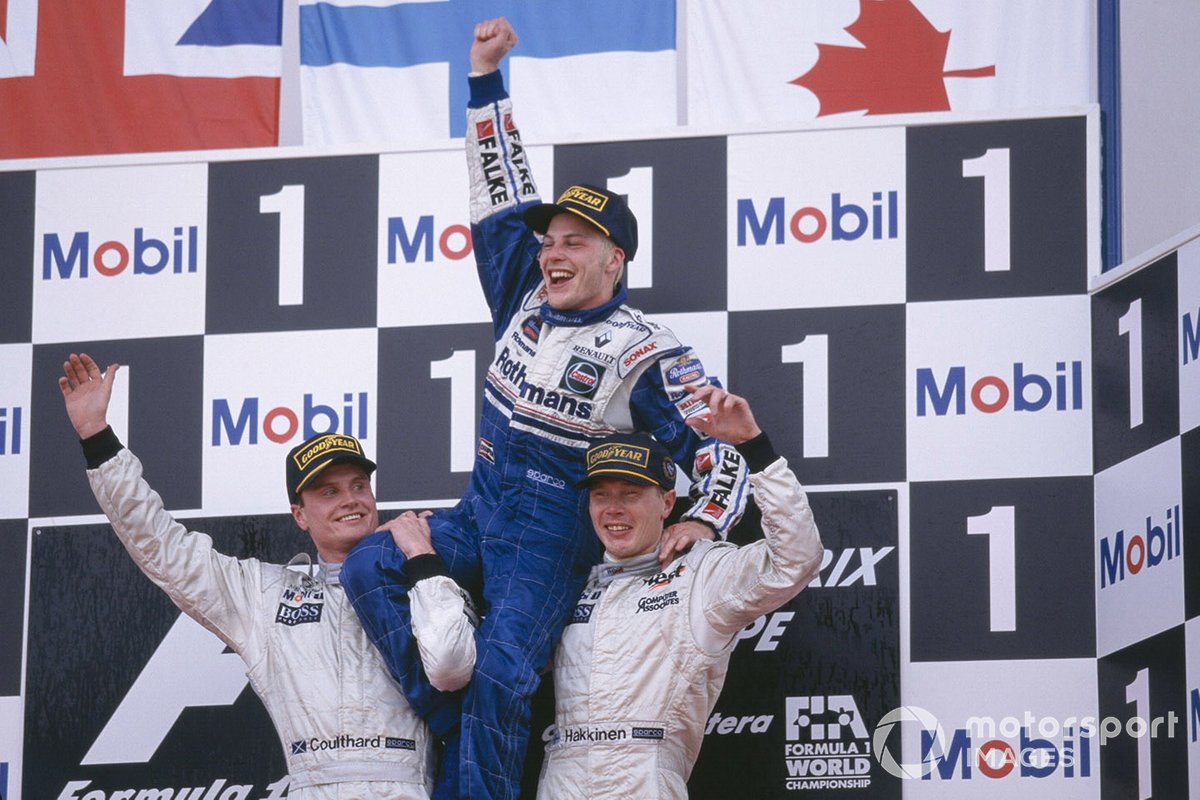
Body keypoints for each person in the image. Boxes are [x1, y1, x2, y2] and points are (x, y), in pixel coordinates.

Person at [341, 16, 752, 800]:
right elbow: (498, 189)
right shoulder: (521, 294)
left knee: (499, 674)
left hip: (549, 540)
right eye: (551, 240)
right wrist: (485, 78)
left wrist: (707, 517)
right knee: (368, 563)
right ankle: (453, 721)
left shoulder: (651, 352)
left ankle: (476, 751)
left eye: (575, 242)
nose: (554, 253)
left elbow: (722, 448)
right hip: (475, 512)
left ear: (615, 259)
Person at [57, 352, 476, 799]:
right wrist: (97, 440)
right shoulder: (264, 595)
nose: (351, 500)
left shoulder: (423, 573)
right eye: (328, 492)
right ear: (299, 514)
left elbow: (461, 669)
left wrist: (421, 559)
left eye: (359, 486)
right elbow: (163, 548)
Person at [538, 384, 824, 798]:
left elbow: (797, 559)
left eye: (630, 495)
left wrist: (756, 451)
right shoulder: (568, 583)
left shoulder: (700, 572)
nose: (613, 509)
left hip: (643, 776)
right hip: (560, 777)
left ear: (668, 502)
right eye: (601, 495)